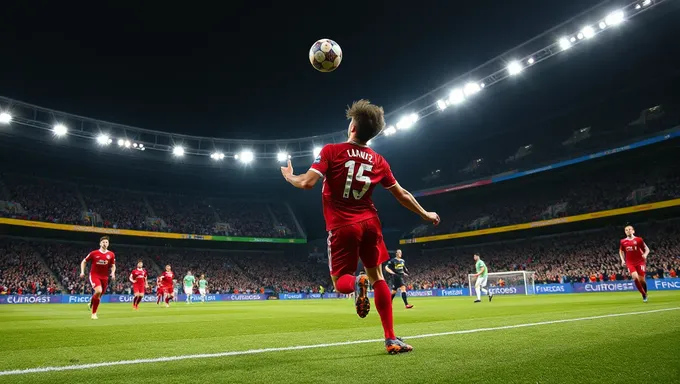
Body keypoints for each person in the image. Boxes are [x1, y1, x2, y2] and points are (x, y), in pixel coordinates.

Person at [281, 99, 440, 354]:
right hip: (370, 224)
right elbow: (401, 194)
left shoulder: (332, 151)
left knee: (340, 281)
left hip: (343, 225)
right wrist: (425, 213)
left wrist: (289, 176)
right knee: (378, 277)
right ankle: (390, 338)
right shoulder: (378, 160)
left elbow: (307, 183)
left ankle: (356, 283)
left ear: (352, 127)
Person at [79, 236, 116, 320]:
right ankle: (94, 314)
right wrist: (82, 271)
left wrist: (113, 273)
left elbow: (113, 265)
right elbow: (84, 261)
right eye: (103, 242)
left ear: (108, 244)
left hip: (105, 277)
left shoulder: (111, 254)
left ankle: (91, 302)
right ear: (100, 243)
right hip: (94, 275)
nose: (105, 243)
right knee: (98, 291)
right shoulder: (94, 253)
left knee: (99, 295)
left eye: (106, 242)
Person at [619, 225, 650, 302]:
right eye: (626, 230)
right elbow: (621, 251)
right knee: (635, 277)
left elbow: (647, 249)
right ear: (625, 232)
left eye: (630, 229)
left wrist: (645, 255)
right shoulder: (623, 241)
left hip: (640, 261)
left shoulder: (639, 239)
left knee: (642, 280)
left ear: (633, 231)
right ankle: (643, 294)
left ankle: (645, 292)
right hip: (630, 262)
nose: (628, 231)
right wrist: (623, 260)